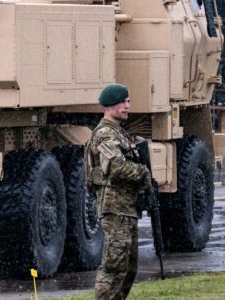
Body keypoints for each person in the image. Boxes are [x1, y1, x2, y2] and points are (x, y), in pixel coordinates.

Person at [85, 83, 152, 300]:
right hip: (115, 208)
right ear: (109, 105)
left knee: (127, 268)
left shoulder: (119, 133)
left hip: (126, 207)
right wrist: (143, 172)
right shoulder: (105, 134)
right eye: (122, 102)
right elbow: (116, 167)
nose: (127, 106)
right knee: (113, 267)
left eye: (128, 101)